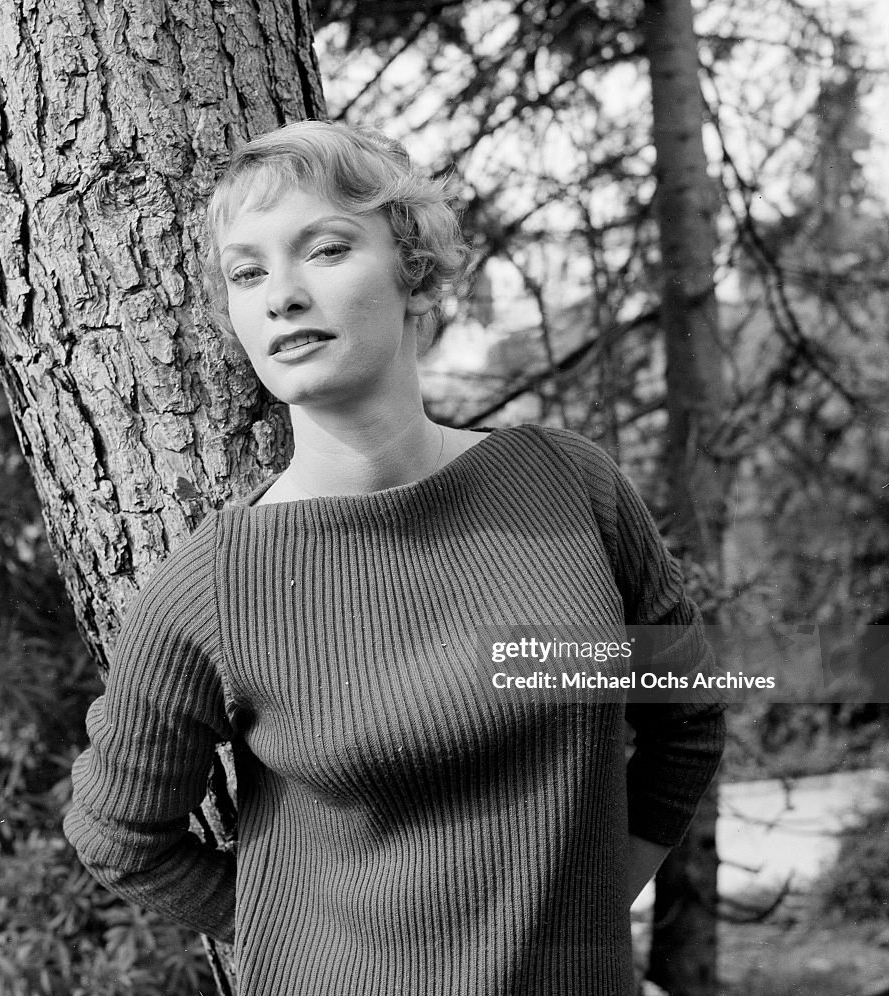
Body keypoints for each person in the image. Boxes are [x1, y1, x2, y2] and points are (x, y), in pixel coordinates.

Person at [64, 120, 725, 996]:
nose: (282, 296)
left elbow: (687, 711)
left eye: (325, 250)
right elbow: (118, 835)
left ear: (412, 270)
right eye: (247, 272)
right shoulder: (215, 586)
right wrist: (318, 952)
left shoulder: (570, 488)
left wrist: (591, 908)